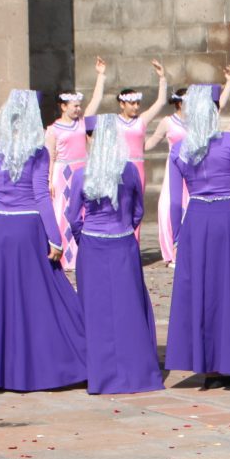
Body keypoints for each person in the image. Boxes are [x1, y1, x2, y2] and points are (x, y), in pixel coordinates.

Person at [0, 90, 88, 390]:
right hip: (27, 227)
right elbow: (41, 196)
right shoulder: (36, 152)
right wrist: (56, 238)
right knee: (40, 296)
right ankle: (48, 363)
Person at [167, 85, 230, 389]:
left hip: (196, 219)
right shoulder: (229, 142)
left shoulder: (178, 149)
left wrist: (177, 234)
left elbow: (173, 201)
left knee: (201, 292)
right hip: (228, 219)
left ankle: (206, 364)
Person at [66, 116, 164, 394]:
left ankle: (100, 373)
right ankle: (136, 372)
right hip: (122, 242)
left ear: (89, 139)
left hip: (93, 245)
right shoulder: (129, 170)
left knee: (96, 313)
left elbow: (73, 217)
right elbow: (137, 212)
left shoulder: (81, 174)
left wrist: (83, 240)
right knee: (128, 308)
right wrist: (122, 227)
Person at [146, 67, 230, 267]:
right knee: (171, 206)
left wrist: (229, 83)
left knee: (193, 209)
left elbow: (219, 106)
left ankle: (195, 250)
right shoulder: (168, 122)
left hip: (197, 169)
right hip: (177, 167)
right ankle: (174, 249)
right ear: (179, 103)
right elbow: (150, 143)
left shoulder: (200, 119)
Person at [46, 57, 107, 272]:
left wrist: (100, 75)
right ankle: (63, 254)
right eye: (74, 106)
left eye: (79, 106)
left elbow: (96, 101)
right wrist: (49, 180)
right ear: (63, 106)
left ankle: (81, 252)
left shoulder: (82, 124)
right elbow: (50, 156)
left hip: (82, 170)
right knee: (63, 213)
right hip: (62, 173)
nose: (78, 109)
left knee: (82, 212)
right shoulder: (53, 129)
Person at [107, 59, 168, 191]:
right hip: (119, 167)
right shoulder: (113, 121)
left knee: (137, 206)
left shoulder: (141, 120)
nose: (136, 106)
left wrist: (162, 77)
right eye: (132, 103)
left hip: (138, 166)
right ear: (122, 104)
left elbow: (161, 102)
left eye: (137, 103)